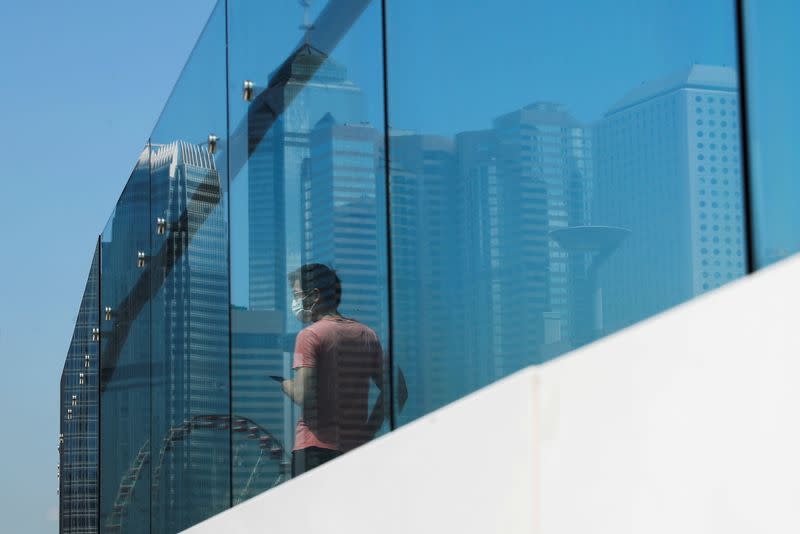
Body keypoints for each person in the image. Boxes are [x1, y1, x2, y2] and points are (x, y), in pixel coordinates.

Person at [281, 263, 387, 477]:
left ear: (315, 295)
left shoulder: (309, 336)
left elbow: (303, 395)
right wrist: (370, 428)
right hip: (356, 451)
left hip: (314, 450)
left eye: (296, 295)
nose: (295, 302)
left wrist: (285, 385)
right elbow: (397, 391)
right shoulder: (368, 335)